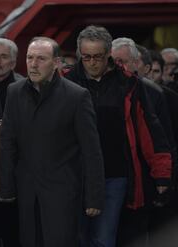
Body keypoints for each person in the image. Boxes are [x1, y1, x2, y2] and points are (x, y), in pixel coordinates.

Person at [65, 25, 172, 247]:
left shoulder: (128, 83)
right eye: (86, 57)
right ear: (79, 56)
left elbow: (149, 129)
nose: (92, 62)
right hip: (75, 173)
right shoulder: (66, 82)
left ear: (108, 56)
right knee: (77, 238)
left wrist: (161, 172)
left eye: (98, 57)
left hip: (115, 174)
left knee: (104, 239)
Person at [0, 36, 105, 247]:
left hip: (62, 193)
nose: (33, 64)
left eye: (41, 59)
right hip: (26, 192)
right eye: (30, 58)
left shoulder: (77, 97)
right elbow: (7, 142)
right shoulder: (15, 92)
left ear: (56, 63)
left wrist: (94, 197)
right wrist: (6, 187)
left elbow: (91, 151)